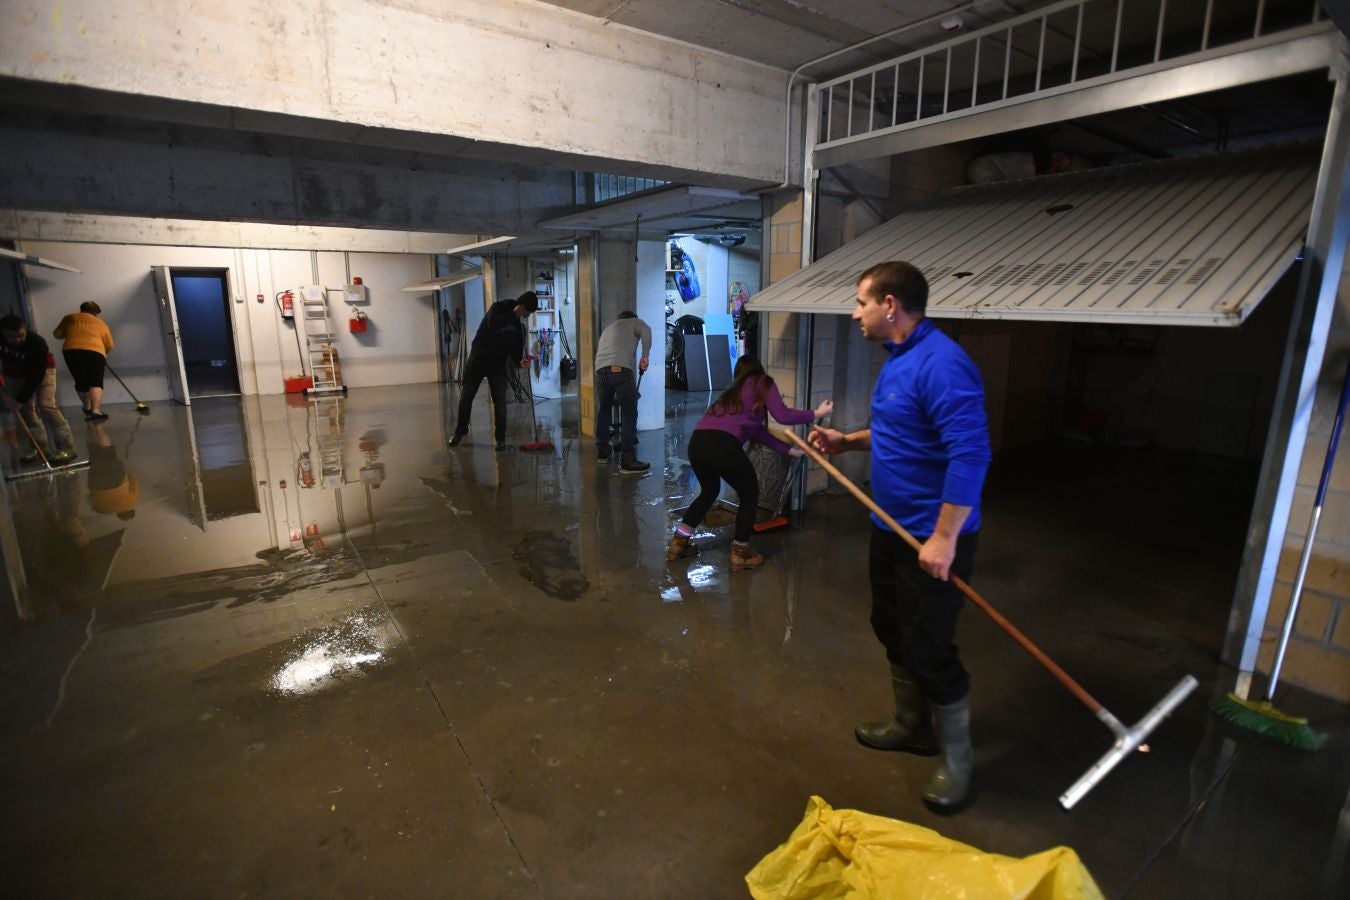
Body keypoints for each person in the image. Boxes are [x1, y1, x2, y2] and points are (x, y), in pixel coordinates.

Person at [809, 260, 991, 810]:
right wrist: (847, 441)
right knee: (889, 625)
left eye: (861, 302)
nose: (855, 313)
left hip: (930, 539)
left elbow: (971, 454)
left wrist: (945, 538)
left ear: (890, 306)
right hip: (887, 527)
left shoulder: (944, 364)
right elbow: (899, 432)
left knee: (930, 647)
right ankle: (912, 726)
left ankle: (958, 760)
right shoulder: (897, 359)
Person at [667, 356, 833, 571]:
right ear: (758, 370)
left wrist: (792, 451)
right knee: (750, 495)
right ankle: (740, 553)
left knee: (708, 492)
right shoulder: (762, 382)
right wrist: (817, 413)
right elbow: (782, 415)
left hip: (697, 443)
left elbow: (759, 433)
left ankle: (679, 543)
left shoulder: (733, 394)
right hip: (723, 445)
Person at [449, 291, 539, 451]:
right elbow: (494, 324)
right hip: (478, 359)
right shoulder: (498, 308)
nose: (528, 316)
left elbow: (516, 349)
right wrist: (513, 314)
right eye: (528, 312)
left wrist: (520, 360)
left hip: (497, 365)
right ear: (523, 307)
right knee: (467, 396)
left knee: (500, 401)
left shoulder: (518, 327)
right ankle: (461, 430)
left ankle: (500, 438)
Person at [0, 315, 77, 464]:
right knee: (25, 411)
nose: (16, 340)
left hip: (43, 369)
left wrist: (19, 400)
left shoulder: (37, 343)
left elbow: (37, 376)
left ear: (25, 329)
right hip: (14, 372)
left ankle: (67, 448)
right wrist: (12, 399)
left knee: (46, 405)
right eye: (11, 336)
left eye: (20, 335)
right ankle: (40, 449)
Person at [593, 310, 653, 474]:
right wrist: (645, 356)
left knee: (604, 409)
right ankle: (628, 459)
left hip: (600, 372)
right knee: (629, 413)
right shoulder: (635, 322)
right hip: (620, 370)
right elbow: (647, 330)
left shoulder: (609, 328)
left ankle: (603, 450)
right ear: (632, 318)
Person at [53, 300, 115, 421]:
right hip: (95, 352)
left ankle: (87, 408)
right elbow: (110, 345)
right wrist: (102, 354)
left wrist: (71, 332)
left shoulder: (69, 318)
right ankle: (95, 411)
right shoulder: (101, 323)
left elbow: (57, 334)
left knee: (80, 381)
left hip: (71, 351)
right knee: (95, 382)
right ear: (96, 312)